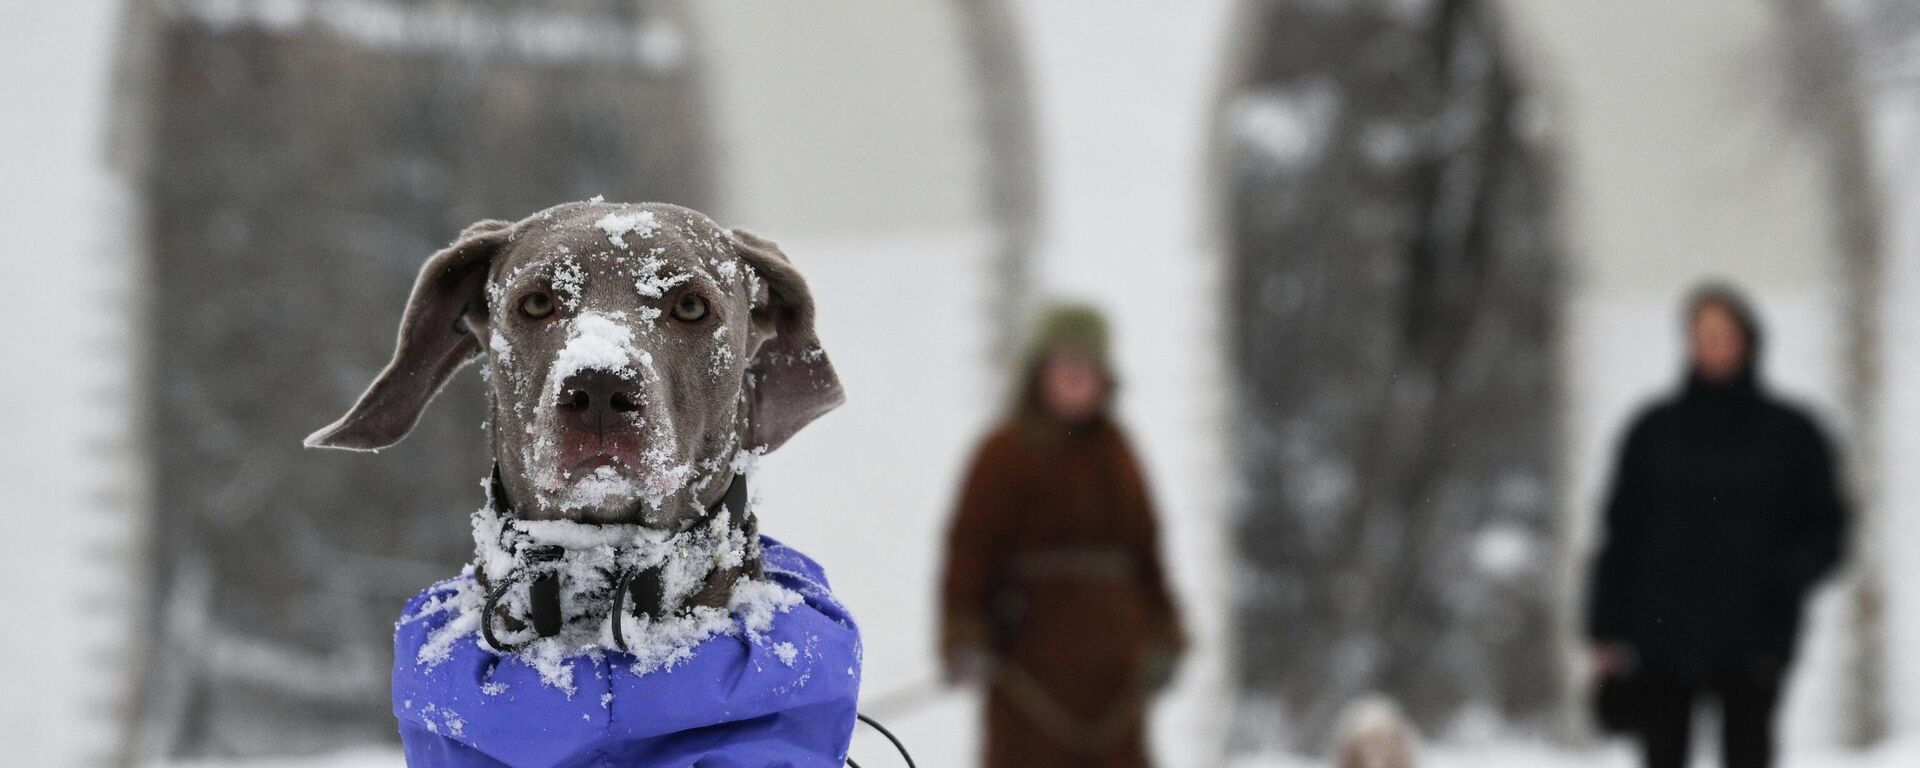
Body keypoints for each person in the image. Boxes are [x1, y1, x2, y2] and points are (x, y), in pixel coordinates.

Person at [1587, 285, 1848, 768]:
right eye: (1702, 335)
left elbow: (1828, 528)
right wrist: (1603, 630)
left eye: (1724, 335)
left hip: (1755, 636)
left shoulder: (1791, 434)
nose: (1713, 347)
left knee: (1748, 753)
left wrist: (1780, 579)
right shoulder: (1653, 430)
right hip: (1660, 635)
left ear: (1747, 341)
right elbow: (1619, 534)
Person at [939, 304, 1187, 768]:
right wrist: (964, 635)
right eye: (1064, 367)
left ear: (1104, 379)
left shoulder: (1119, 456)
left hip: (1116, 683)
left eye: (1086, 369)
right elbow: (968, 552)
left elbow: (1147, 555)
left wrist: (1165, 633)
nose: (1075, 380)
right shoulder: (1002, 454)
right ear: (1039, 374)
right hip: (1028, 674)